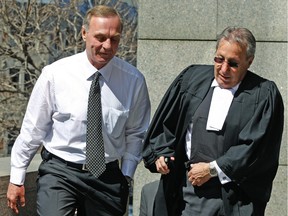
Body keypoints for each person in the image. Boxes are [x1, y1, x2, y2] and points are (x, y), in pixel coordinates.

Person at [7, 5, 150, 216]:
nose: (107, 46)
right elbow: (33, 130)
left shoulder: (133, 81)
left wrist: (127, 175)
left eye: (114, 39)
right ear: (84, 33)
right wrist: (16, 177)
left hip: (107, 176)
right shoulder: (55, 75)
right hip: (60, 171)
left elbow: (136, 133)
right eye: (100, 37)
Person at [142, 27, 284, 216]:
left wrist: (212, 169)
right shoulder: (192, 79)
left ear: (249, 62)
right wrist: (161, 153)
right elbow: (166, 126)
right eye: (219, 59)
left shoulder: (263, 94)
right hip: (187, 193)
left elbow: (254, 149)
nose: (224, 69)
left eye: (233, 63)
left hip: (233, 197)